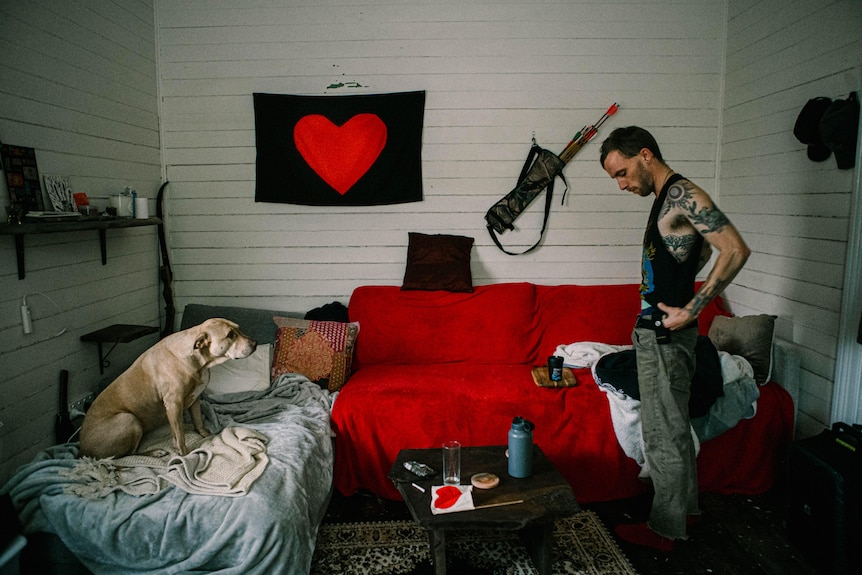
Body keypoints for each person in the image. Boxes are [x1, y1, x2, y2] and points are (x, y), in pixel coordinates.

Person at [598, 126, 750, 552]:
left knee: (662, 433)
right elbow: (698, 250)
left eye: (623, 173)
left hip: (665, 338)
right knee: (674, 428)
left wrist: (694, 308)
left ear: (645, 155)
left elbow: (734, 248)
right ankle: (689, 510)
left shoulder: (682, 194)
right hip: (658, 333)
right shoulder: (666, 199)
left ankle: (665, 529)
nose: (623, 184)